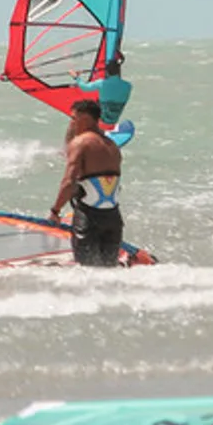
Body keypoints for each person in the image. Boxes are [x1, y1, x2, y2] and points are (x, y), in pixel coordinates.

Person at [49, 99, 124, 267]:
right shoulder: (112, 146)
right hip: (113, 218)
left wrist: (55, 211)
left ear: (85, 118)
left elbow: (69, 181)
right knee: (108, 269)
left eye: (74, 118)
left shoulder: (81, 143)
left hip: (89, 218)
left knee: (87, 270)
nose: (72, 122)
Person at [71, 52, 132, 127]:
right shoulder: (128, 86)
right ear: (119, 71)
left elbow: (84, 88)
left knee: (84, 104)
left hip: (102, 119)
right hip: (115, 118)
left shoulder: (101, 83)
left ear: (107, 72)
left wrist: (76, 77)